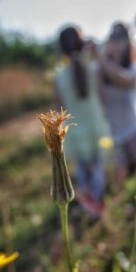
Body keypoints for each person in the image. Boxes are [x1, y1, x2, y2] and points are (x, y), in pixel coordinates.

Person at [54, 25, 111, 216]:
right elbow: (103, 98)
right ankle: (98, 202)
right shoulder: (94, 68)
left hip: (75, 131)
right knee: (97, 165)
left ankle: (87, 202)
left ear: (62, 49)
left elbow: (59, 109)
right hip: (96, 125)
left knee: (82, 169)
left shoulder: (59, 77)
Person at [97, 22, 136, 181]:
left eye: (120, 37)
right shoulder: (99, 69)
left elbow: (126, 82)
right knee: (121, 177)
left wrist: (101, 59)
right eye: (112, 37)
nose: (115, 41)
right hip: (112, 133)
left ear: (128, 41)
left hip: (133, 128)